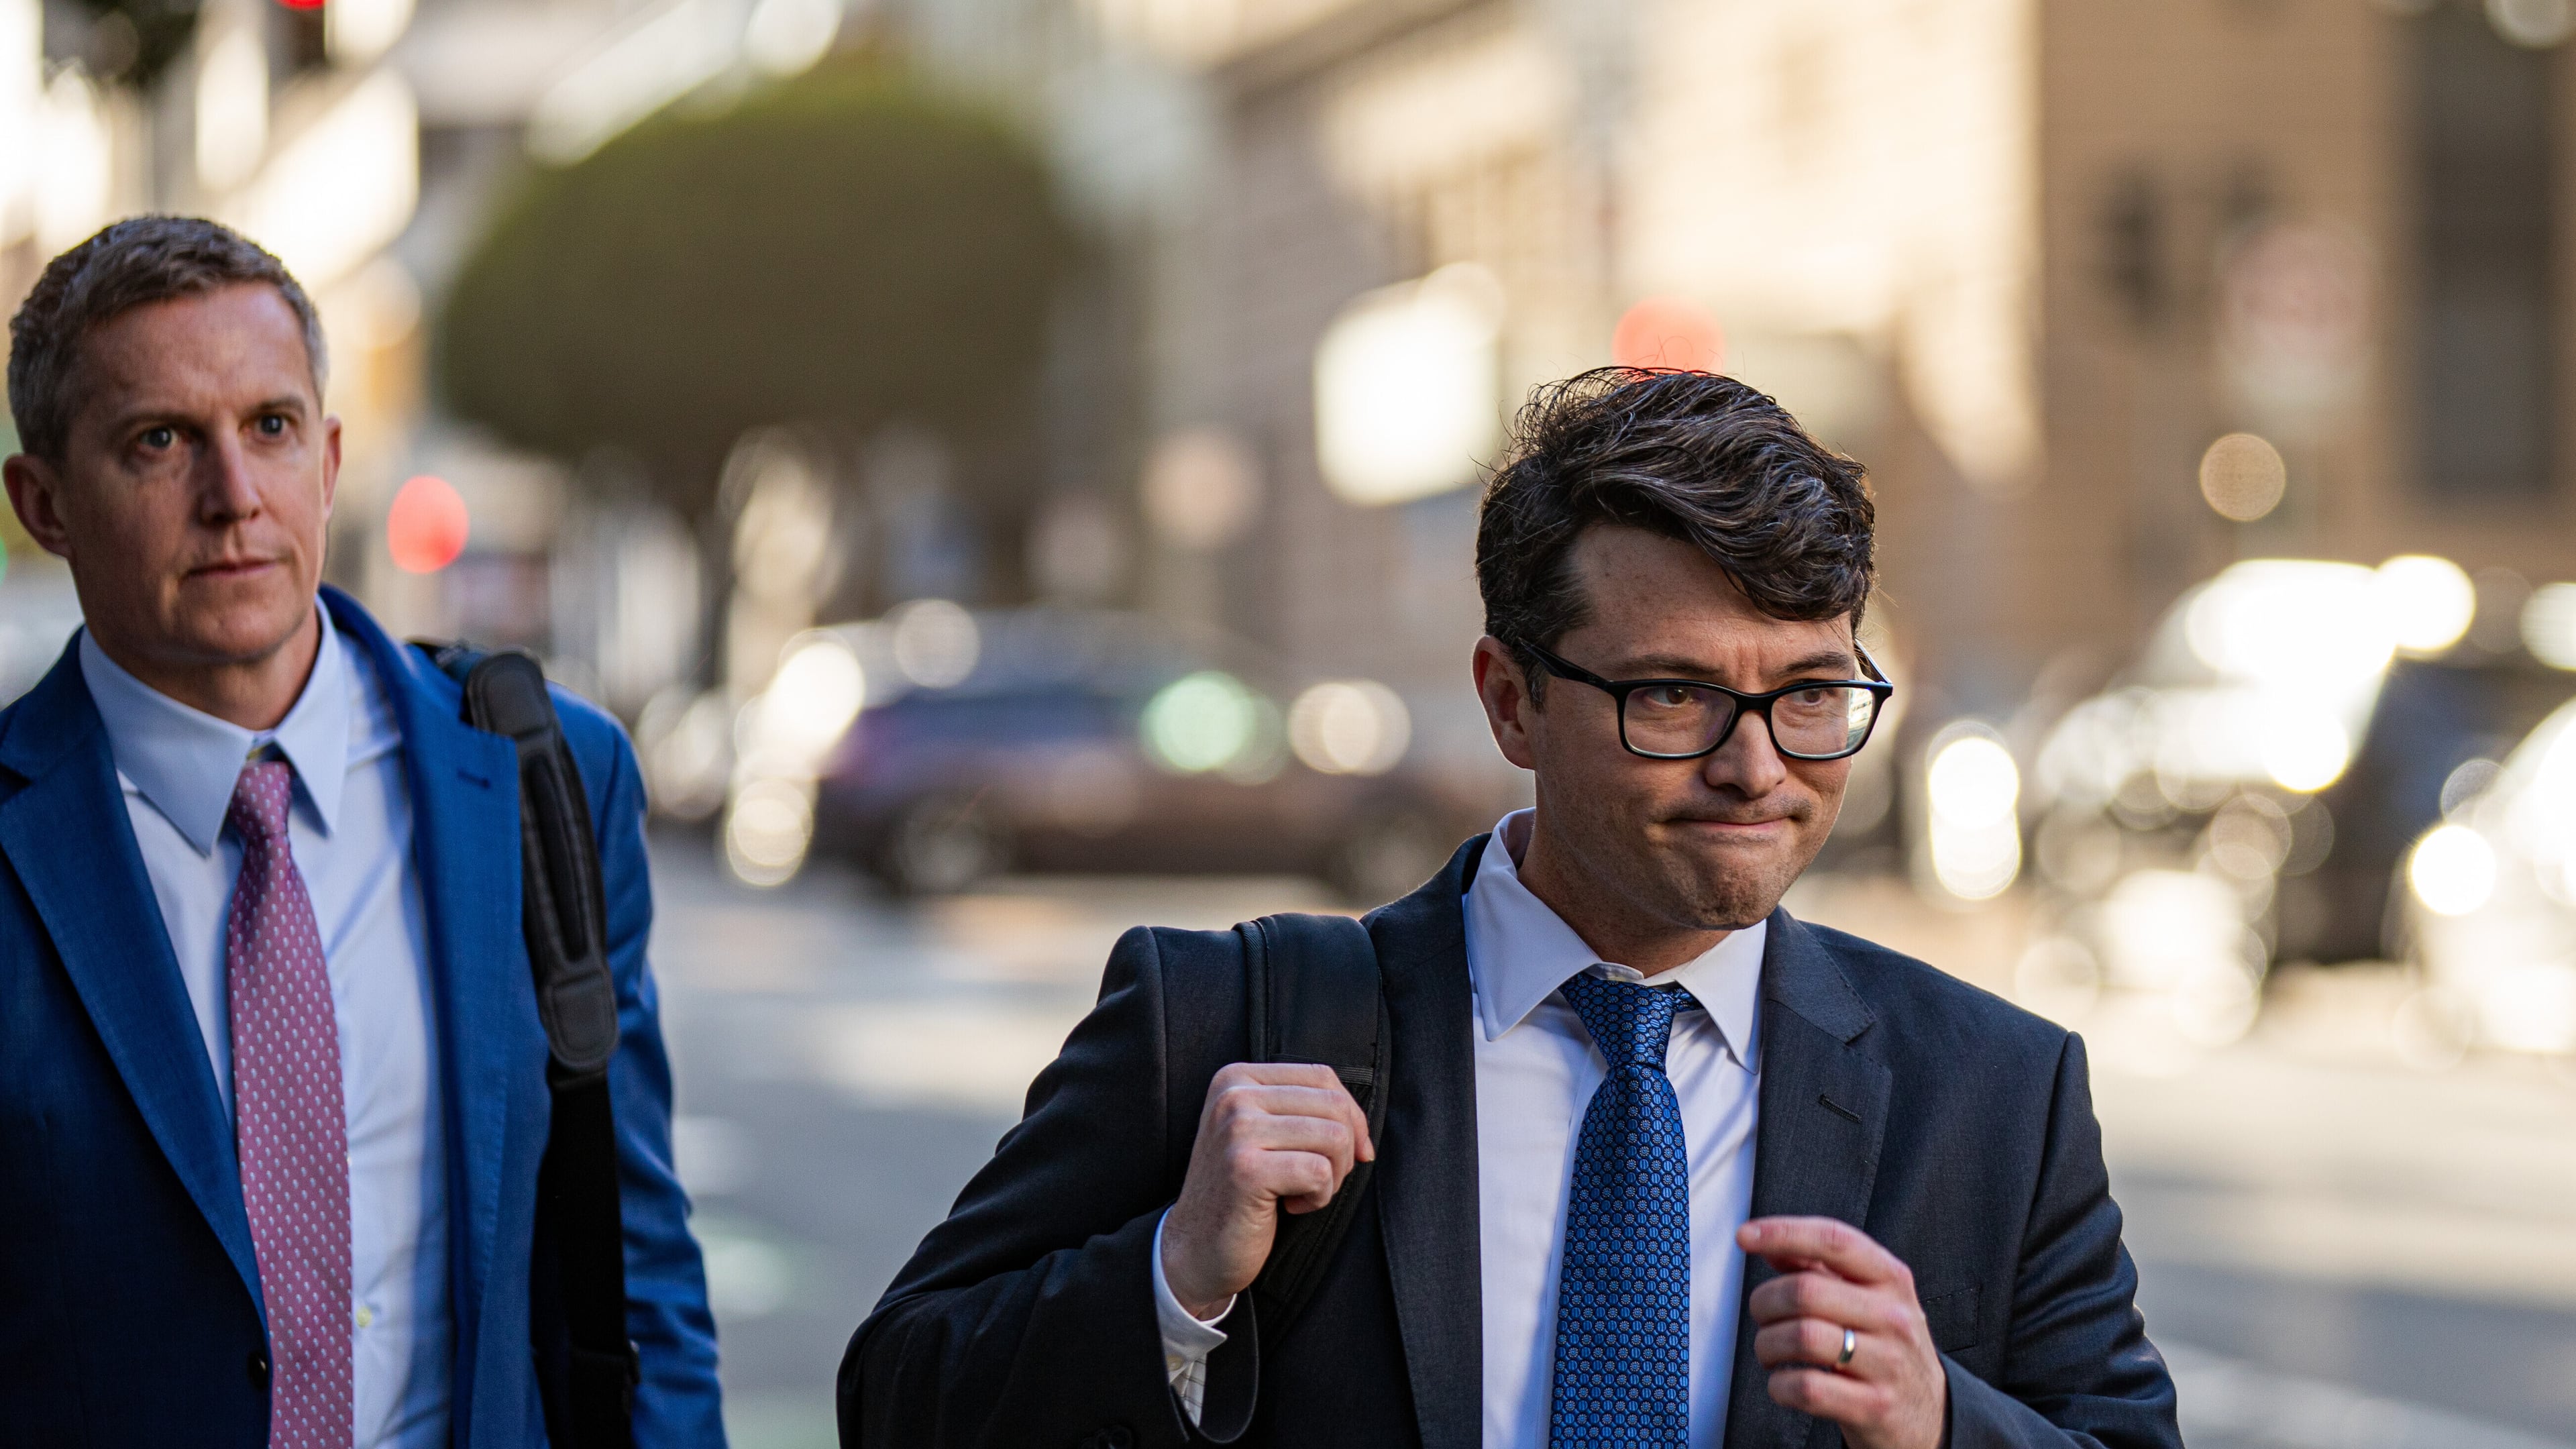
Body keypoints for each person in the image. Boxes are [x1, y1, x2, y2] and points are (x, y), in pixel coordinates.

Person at [839, 368, 2180, 1448]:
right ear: (1509, 698)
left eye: (1813, 696)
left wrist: (1943, 1424)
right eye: (1674, 695)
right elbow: (898, 1399)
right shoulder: (1224, 1023)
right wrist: (1175, 1276)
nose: (1757, 767)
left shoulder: (1996, 1094)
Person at [0, 217, 724, 1446]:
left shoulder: (552, 778)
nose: (234, 497)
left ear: (329, 461)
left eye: (271, 429)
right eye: (160, 441)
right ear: (45, 504)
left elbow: (634, 1262)